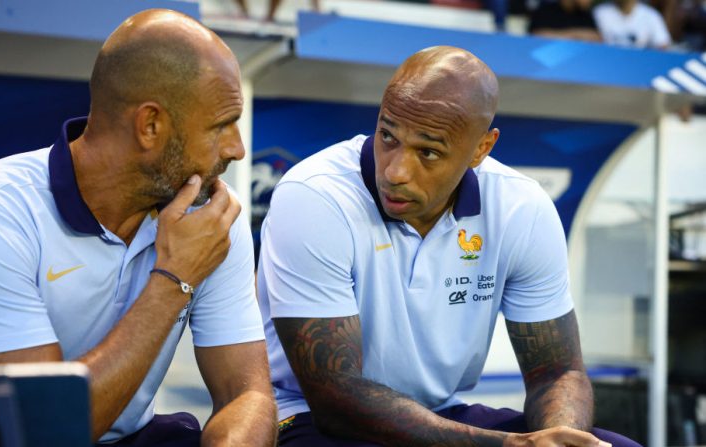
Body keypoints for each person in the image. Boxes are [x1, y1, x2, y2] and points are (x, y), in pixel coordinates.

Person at [0, 9, 276, 447]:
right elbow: (42, 430)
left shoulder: (209, 214)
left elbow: (248, 394)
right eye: (222, 125)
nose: (238, 149)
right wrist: (174, 280)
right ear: (150, 126)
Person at [257, 46, 641, 446]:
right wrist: (507, 445)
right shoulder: (316, 195)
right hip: (308, 416)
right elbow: (335, 397)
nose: (395, 171)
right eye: (388, 135)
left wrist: (560, 440)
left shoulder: (520, 207)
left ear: (481, 148)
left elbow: (557, 372)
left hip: (441, 413)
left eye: (428, 152)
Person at [594, 0, 672, 48]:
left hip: (640, 65)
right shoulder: (600, 12)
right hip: (608, 62)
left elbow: (663, 45)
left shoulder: (651, 15)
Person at [528, 0, 602, 42]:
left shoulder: (586, 15)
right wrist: (576, 35)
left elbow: (598, 38)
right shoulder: (546, 11)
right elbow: (536, 36)